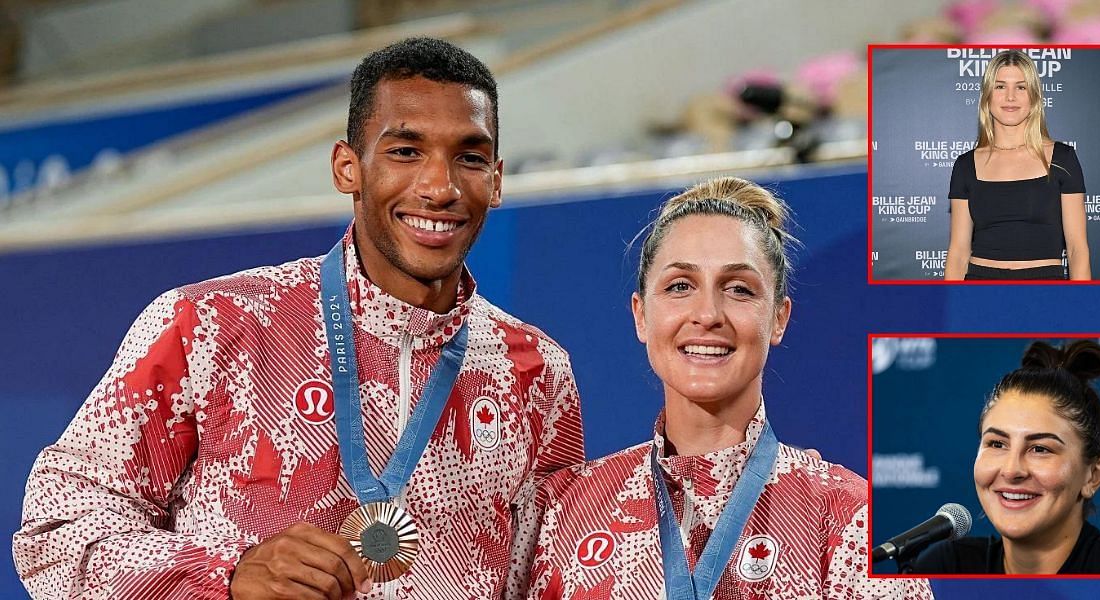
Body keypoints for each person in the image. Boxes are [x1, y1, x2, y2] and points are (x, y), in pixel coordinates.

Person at [13, 38, 584, 600]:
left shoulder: (535, 374)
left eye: (470, 157)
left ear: (498, 179)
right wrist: (228, 575)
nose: (440, 186)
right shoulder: (211, 324)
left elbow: (546, 582)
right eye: (405, 151)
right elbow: (56, 531)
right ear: (347, 168)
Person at [522, 177, 933, 598]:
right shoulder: (565, 510)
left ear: (778, 318)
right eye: (680, 286)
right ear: (641, 314)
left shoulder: (847, 517)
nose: (707, 314)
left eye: (739, 289)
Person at [910, 340, 1100, 574]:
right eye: (997, 443)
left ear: (1093, 476)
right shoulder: (946, 568)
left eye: (1040, 449)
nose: (1011, 470)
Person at [944, 49, 1090, 281]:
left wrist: (1082, 305)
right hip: (981, 286)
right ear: (987, 96)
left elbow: (1077, 250)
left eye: (1021, 87)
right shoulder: (965, 165)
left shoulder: (1062, 158)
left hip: (1044, 288)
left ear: (1033, 96)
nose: (1010, 97)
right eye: (1000, 86)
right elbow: (958, 252)